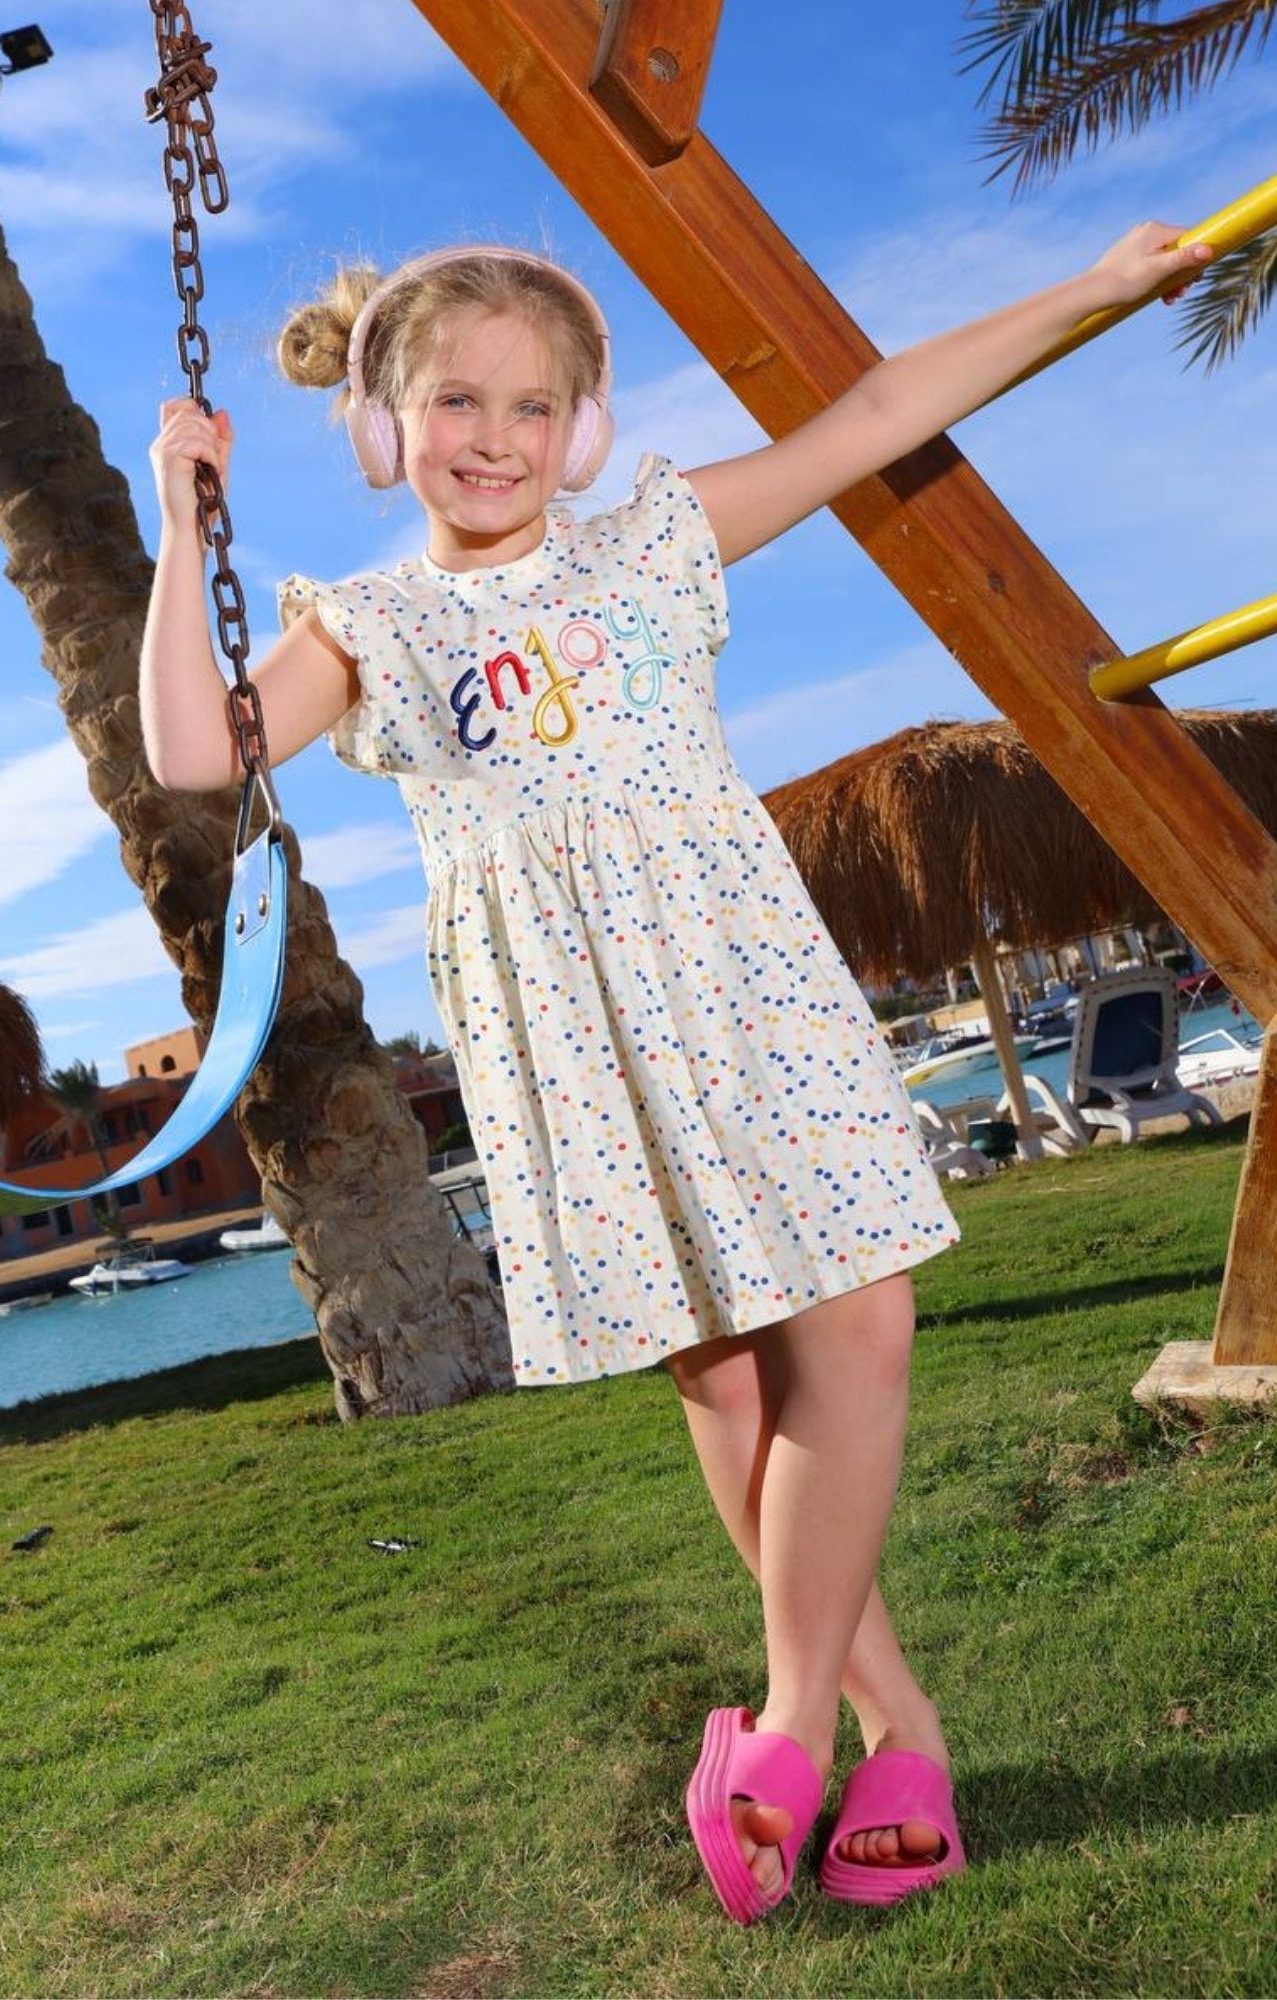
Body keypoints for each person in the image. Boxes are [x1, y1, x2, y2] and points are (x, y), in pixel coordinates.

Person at [141, 224, 1211, 1924]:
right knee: (723, 1378)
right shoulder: (373, 624)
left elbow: (873, 412)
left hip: (741, 984)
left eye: (530, 405)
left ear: (580, 427)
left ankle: (784, 1720)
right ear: (384, 425)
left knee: (859, 1325)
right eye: (454, 402)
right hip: (567, 1032)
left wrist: (1087, 287)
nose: (492, 437)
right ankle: (898, 1732)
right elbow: (195, 747)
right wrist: (181, 517)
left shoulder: (653, 541)